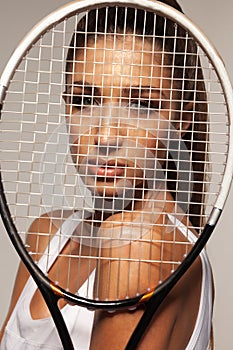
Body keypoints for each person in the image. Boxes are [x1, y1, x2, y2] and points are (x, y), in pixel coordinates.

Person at [0, 1, 213, 349]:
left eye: (142, 104)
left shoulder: (138, 247)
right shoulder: (48, 237)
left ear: (181, 117)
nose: (106, 136)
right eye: (85, 100)